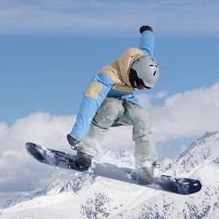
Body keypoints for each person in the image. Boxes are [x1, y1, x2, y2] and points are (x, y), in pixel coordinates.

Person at [66, 25, 160, 185]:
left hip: (124, 104)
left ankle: (146, 166)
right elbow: (89, 102)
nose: (139, 88)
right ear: (133, 73)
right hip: (100, 111)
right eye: (138, 85)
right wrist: (77, 134)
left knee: (142, 116)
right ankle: (86, 152)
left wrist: (147, 32)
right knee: (112, 107)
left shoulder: (143, 60)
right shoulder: (106, 77)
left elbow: (147, 47)